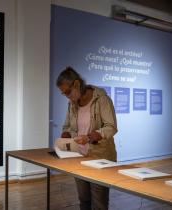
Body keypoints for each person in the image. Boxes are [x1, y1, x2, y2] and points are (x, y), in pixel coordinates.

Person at [56, 66, 117, 210]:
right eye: (63, 93)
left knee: (99, 204)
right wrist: (65, 137)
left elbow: (111, 127)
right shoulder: (72, 104)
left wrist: (89, 137)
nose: (67, 96)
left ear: (77, 84)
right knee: (84, 200)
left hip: (100, 158)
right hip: (79, 157)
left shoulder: (101, 99)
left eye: (68, 92)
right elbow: (66, 127)